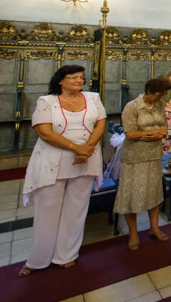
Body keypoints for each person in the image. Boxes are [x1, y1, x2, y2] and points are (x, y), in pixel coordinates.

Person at [19, 65, 107, 276]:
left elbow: (100, 124)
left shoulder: (93, 98)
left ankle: (66, 255)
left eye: (81, 77)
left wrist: (86, 149)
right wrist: (77, 148)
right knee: (47, 210)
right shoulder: (47, 101)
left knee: (76, 209)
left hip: (86, 159)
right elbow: (45, 133)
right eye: (73, 77)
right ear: (60, 80)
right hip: (53, 161)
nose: (79, 80)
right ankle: (38, 259)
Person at [114, 77, 171, 250]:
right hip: (135, 156)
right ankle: (133, 233)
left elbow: (164, 129)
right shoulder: (132, 107)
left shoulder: (160, 105)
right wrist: (153, 134)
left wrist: (154, 134)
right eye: (160, 94)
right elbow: (130, 134)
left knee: (153, 192)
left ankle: (154, 228)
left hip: (153, 154)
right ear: (150, 91)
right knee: (131, 195)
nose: (162, 97)